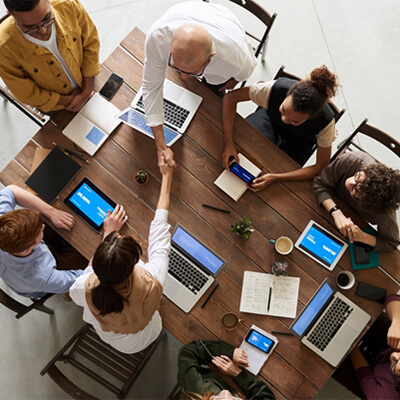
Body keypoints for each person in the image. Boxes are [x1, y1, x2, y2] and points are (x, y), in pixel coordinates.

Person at [70, 156, 173, 353]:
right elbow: (160, 231)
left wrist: (108, 235)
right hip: (146, 334)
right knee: (155, 317)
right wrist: (167, 176)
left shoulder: (84, 286)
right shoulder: (152, 280)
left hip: (118, 342)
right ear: (134, 265)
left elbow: (88, 275)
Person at [142, 1, 257, 168]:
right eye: (176, 66)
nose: (182, 77)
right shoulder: (157, 37)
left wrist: (231, 83)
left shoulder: (237, 61)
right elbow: (151, 88)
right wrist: (161, 145)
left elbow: (241, 75)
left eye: (190, 72)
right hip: (191, 11)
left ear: (210, 58)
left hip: (224, 25)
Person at [222, 65, 339, 191]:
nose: (285, 119)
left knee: (277, 175)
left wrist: (275, 178)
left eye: (295, 120)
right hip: (269, 120)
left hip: (300, 141)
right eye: (283, 110)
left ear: (311, 118)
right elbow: (230, 98)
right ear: (287, 94)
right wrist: (228, 143)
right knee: (244, 148)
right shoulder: (274, 89)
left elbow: (321, 166)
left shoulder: (325, 124)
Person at [0, 0, 100, 113]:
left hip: (90, 81)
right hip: (59, 107)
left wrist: (86, 91)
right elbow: (24, 92)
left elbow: (91, 41)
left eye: (47, 18)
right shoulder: (3, 48)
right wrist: (68, 101)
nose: (43, 30)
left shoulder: (68, 4)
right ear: (10, 13)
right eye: (30, 27)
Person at [0, 185, 87, 298]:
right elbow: (84, 279)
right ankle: (67, 294)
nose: (43, 227)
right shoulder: (42, 277)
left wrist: (51, 212)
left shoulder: (3, 224)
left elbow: (11, 190)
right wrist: (109, 237)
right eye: (39, 231)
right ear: (27, 249)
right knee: (88, 256)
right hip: (42, 281)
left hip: (20, 265)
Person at [313, 151, 400, 252]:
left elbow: (391, 243)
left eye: (356, 190)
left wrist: (363, 237)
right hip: (322, 206)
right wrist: (336, 212)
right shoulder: (353, 160)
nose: (350, 182)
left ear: (368, 203)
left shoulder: (384, 212)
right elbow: (320, 183)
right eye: (358, 177)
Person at [333, 294, 400, 399]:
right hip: (384, 340)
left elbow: (364, 374)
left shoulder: (384, 397)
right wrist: (397, 322)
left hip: (372, 379)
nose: (395, 356)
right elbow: (392, 298)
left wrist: (349, 339)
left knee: (331, 358)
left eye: (395, 364)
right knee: (362, 310)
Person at [178, 340, 276, 400]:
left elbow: (188, 353)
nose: (225, 392)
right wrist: (238, 374)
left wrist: (229, 352)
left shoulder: (195, 390)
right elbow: (265, 397)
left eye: (217, 399)